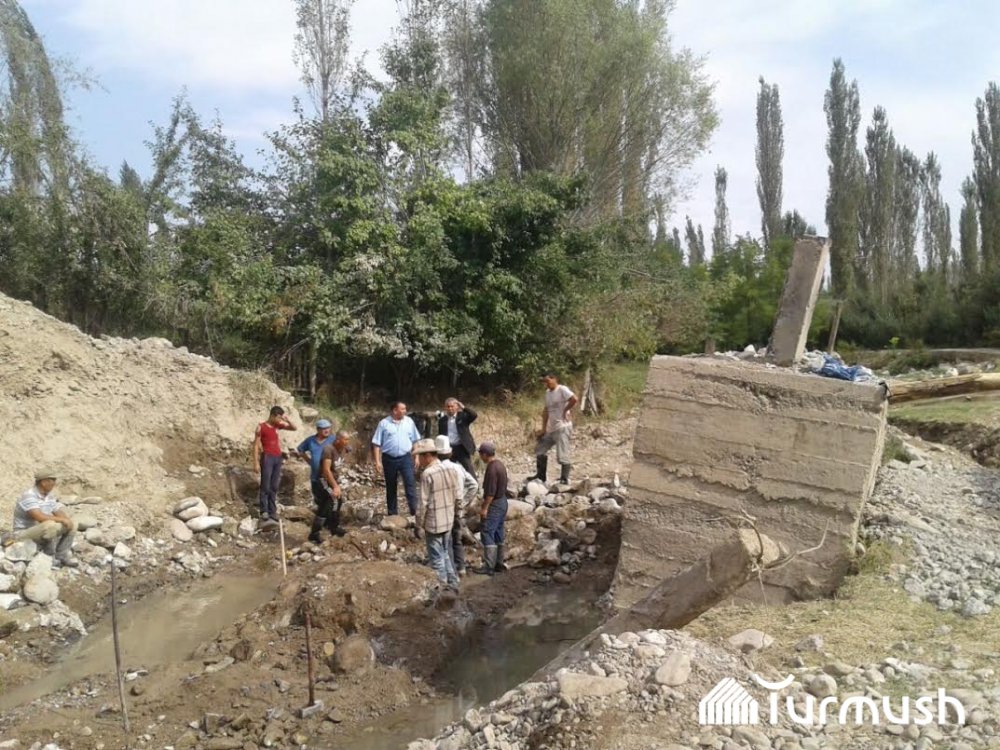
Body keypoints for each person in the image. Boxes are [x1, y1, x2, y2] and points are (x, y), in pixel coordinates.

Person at [413, 438, 460, 592]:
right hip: (448, 519)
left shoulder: (427, 474)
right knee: (445, 553)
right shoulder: (451, 469)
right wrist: (457, 513)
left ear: (427, 456)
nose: (419, 460)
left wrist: (418, 525)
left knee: (437, 559)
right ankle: (453, 583)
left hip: (434, 523)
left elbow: (422, 503)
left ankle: (442, 589)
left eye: (420, 456)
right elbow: (458, 496)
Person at [7, 468, 79, 567]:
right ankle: (48, 557)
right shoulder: (29, 495)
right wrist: (62, 520)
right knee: (50, 525)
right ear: (44, 482)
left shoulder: (49, 496)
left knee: (73, 523)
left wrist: (66, 520)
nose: (54, 483)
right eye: (52, 480)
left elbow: (57, 511)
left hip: (40, 531)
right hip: (24, 533)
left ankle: (61, 556)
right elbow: (39, 517)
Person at [434, 435, 479, 576]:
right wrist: (464, 502)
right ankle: (461, 568)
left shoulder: (434, 470)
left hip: (442, 510)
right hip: (457, 509)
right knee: (457, 539)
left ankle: (450, 571)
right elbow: (474, 485)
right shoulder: (458, 468)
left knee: (445, 541)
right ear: (450, 452)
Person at [371, 401, 421, 516]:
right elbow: (376, 444)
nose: (405, 411)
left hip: (405, 458)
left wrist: (417, 457)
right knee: (391, 486)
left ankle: (415, 512)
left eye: (405, 409)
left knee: (410, 484)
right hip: (389, 459)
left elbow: (415, 440)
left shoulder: (409, 422)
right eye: (402, 409)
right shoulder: (384, 423)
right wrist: (377, 461)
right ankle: (392, 513)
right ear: (395, 410)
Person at [530, 374, 578, 485]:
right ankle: (541, 476)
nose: (546, 384)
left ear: (554, 379)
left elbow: (574, 399)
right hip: (552, 428)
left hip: (562, 426)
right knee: (540, 449)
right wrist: (543, 429)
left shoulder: (562, 389)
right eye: (545, 382)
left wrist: (565, 410)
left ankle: (564, 479)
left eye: (548, 381)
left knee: (562, 455)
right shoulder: (547, 393)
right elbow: (546, 411)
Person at [252, 406, 296, 526]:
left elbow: (294, 428)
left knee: (274, 486)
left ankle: (272, 511)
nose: (280, 420)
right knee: (265, 485)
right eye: (279, 417)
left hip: (277, 457)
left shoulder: (277, 426)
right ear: (272, 415)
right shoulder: (261, 427)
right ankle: (264, 511)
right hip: (267, 457)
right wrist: (255, 462)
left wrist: (287, 419)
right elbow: (256, 445)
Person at [311, 430, 353, 542]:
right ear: (338, 440)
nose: (347, 442)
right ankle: (315, 533)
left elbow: (348, 448)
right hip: (324, 480)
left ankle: (333, 527)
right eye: (345, 440)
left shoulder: (342, 447)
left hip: (333, 479)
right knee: (331, 501)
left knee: (338, 501)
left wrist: (348, 448)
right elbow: (326, 470)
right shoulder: (328, 449)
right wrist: (335, 486)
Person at [474, 442, 508, 576]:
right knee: (498, 531)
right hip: (503, 501)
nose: (480, 456)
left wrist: (484, 508)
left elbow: (490, 493)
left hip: (494, 504)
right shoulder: (500, 464)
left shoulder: (491, 469)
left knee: (487, 532)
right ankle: (499, 563)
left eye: (480, 454)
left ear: (484, 454)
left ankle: (489, 566)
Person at [294, 419, 335, 515]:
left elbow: (345, 447)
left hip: (329, 476)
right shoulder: (311, 441)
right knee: (319, 499)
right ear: (318, 429)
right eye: (324, 428)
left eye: (328, 428)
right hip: (315, 477)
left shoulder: (333, 439)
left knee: (330, 499)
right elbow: (300, 449)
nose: (327, 430)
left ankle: (328, 519)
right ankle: (321, 518)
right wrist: (309, 460)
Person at [437, 398, 478, 476]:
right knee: (448, 470)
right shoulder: (442, 420)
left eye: (452, 406)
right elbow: (441, 434)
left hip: (461, 447)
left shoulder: (462, 416)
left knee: (468, 468)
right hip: (449, 448)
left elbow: (474, 415)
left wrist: (464, 408)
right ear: (445, 408)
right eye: (448, 406)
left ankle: (474, 483)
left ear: (456, 407)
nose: (450, 408)